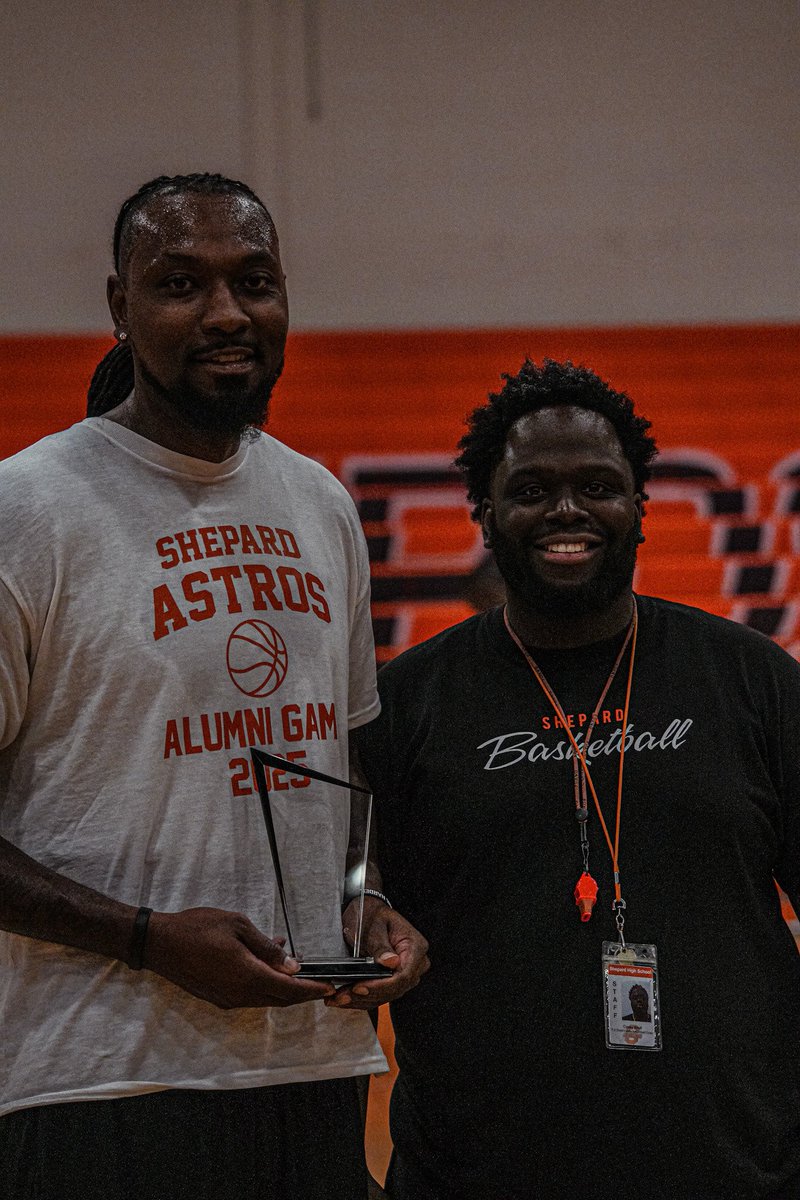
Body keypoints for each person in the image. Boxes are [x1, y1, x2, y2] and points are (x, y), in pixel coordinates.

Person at [0, 172, 428, 1200]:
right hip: (97, 1082)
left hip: (309, 1066)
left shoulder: (318, 503)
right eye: (181, 283)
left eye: (255, 280)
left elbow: (337, 762)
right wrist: (147, 941)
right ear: (119, 307)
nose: (227, 312)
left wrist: (367, 908)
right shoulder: (30, 508)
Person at [357, 359, 800, 1200]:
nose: (566, 511)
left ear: (640, 505)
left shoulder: (751, 680)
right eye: (531, 489)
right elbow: (354, 925)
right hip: (475, 1178)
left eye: (598, 485)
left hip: (738, 1174)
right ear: (484, 513)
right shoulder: (404, 705)